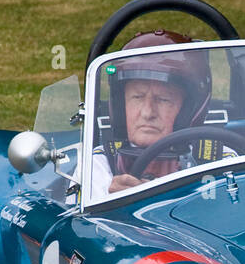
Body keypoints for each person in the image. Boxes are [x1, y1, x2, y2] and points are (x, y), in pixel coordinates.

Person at [87, 29, 214, 201]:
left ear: (189, 109)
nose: (148, 113)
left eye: (163, 99)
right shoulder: (98, 164)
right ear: (120, 105)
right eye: (137, 97)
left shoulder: (217, 160)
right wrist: (111, 205)